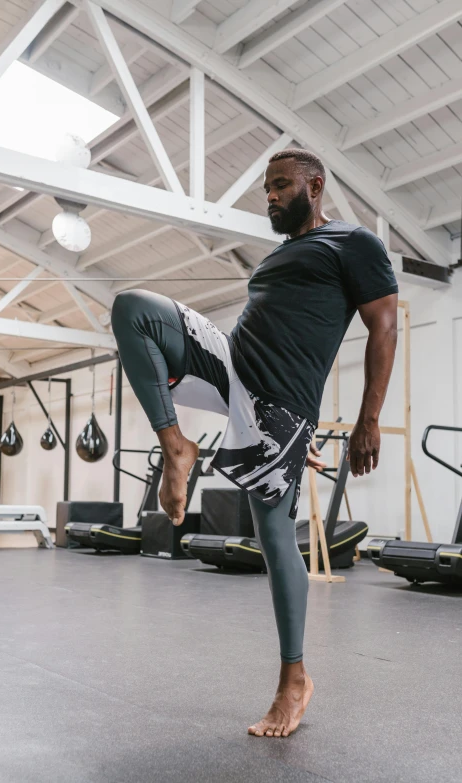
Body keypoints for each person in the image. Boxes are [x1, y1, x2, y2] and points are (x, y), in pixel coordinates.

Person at [111, 148, 398, 738]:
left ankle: (294, 680)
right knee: (132, 308)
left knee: (272, 533)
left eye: (280, 186)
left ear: (315, 186)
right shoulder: (280, 253)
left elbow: (384, 326)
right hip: (233, 365)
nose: (269, 196)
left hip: (282, 402)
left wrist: (368, 421)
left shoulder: (353, 244)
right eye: (266, 188)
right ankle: (176, 445)